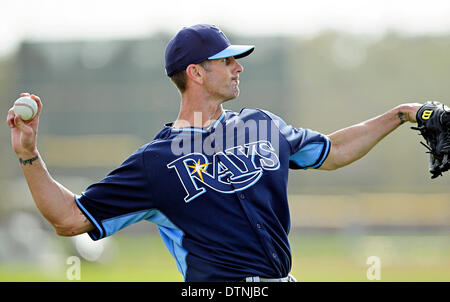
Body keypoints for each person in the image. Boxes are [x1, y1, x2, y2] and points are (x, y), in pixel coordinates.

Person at [6, 24, 422, 282]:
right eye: (227, 60)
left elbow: (332, 150)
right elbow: (69, 219)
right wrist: (29, 155)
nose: (238, 67)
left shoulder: (262, 124)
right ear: (196, 73)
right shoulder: (156, 162)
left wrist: (399, 115)